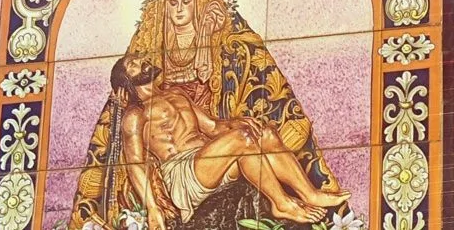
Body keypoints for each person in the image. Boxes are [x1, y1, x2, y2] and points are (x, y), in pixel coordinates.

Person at [111, 54, 350, 230]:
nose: (141, 61)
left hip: (209, 162)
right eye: (133, 64)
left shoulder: (177, 94)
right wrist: (153, 208)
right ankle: (281, 203)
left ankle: (309, 194)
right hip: (183, 175)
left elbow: (213, 127)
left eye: (139, 58)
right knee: (243, 139)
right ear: (127, 82)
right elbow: (135, 162)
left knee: (264, 133)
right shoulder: (135, 114)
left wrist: (237, 122)